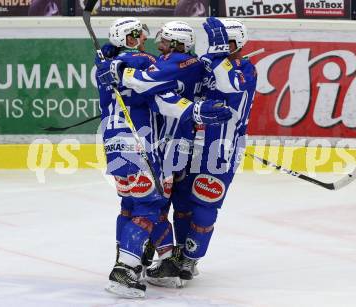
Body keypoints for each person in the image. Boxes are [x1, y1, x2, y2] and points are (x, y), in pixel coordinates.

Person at [95, 18, 232, 298]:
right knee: (149, 206)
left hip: (112, 143)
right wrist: (194, 111)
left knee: (131, 206)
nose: (148, 43)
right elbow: (162, 96)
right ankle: (125, 270)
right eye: (138, 37)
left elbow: (146, 88)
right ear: (128, 39)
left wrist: (112, 61)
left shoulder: (102, 67)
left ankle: (156, 261)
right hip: (138, 141)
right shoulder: (143, 61)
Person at [146, 17, 258, 287]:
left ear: (238, 43)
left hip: (222, 148)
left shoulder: (246, 70)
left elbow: (230, 83)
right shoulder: (208, 63)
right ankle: (176, 255)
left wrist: (218, 55)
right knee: (182, 203)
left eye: (227, 42)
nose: (221, 46)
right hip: (192, 143)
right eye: (219, 41)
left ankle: (190, 259)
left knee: (206, 205)